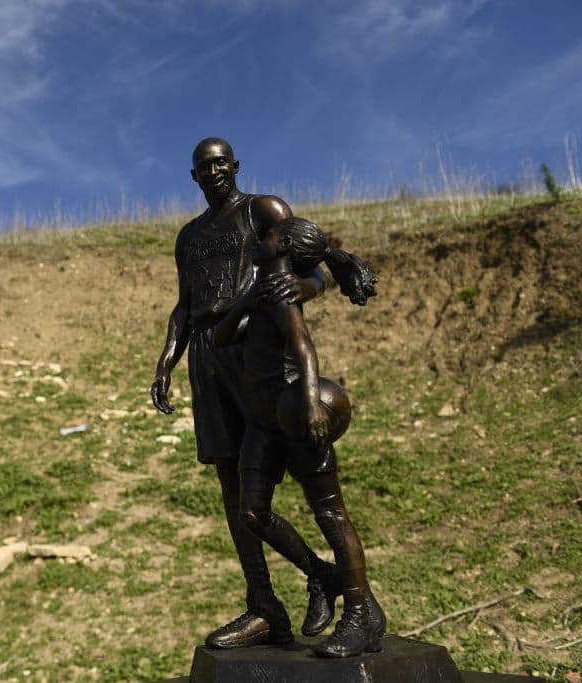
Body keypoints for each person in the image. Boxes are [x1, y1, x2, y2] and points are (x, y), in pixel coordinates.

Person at [151, 138, 334, 649]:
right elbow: (184, 307)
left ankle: (338, 580)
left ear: (234, 166)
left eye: (219, 163)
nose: (212, 172)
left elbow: (313, 264)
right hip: (207, 354)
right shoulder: (188, 236)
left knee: (296, 464)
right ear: (193, 177)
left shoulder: (263, 210)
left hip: (254, 343)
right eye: (202, 167)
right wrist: (167, 360)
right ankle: (264, 604)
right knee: (231, 484)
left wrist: (309, 289)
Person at [212, 215, 384, 657]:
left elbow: (304, 345)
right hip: (261, 422)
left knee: (330, 514)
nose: (258, 237)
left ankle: (360, 615)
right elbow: (221, 336)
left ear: (282, 244)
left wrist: (310, 405)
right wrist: (247, 298)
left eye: (266, 234)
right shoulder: (266, 289)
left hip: (293, 416)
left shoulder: (285, 290)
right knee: (252, 512)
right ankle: (324, 575)